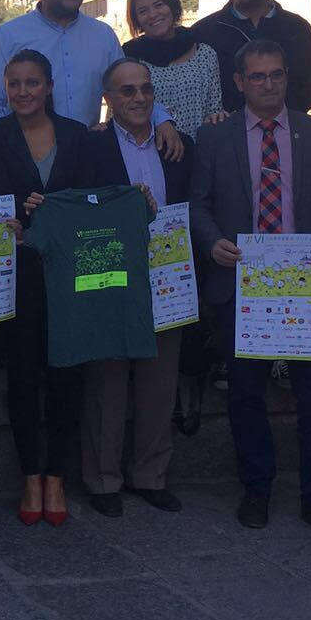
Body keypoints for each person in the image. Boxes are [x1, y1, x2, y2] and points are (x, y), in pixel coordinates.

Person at [189, 39, 311, 540]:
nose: (268, 84)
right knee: (246, 396)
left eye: (277, 74)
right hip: (242, 287)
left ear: (287, 77)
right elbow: (198, 204)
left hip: (305, 288)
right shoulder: (213, 137)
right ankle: (256, 489)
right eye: (257, 76)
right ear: (239, 82)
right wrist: (212, 242)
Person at [0, 50, 92, 526]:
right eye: (14, 84)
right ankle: (30, 476)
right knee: (22, 374)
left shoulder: (78, 135)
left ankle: (57, 477)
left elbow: (90, 200)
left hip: (68, 272)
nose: (22, 92)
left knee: (67, 373)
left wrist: (59, 211)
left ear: (48, 87)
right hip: (20, 272)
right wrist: (17, 218)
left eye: (32, 83)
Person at [78, 59, 194, 516]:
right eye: (127, 91)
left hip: (168, 280)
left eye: (146, 88)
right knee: (106, 384)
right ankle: (103, 480)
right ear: (108, 99)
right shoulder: (89, 147)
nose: (139, 97)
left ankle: (150, 475)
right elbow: (79, 206)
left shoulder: (178, 145)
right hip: (111, 278)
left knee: (160, 384)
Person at [0, 0, 184, 161]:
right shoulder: (7, 36)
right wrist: (0, 160)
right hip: (25, 159)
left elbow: (128, 90)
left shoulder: (103, 36)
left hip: (88, 158)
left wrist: (161, 119)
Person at [189, 0, 311, 115]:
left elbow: (306, 90)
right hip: (225, 130)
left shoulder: (297, 30)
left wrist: (272, 123)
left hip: (284, 129)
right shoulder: (203, 33)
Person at [122, 0, 225, 132]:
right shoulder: (130, 59)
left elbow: (214, 111)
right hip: (149, 145)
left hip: (198, 145)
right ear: (136, 19)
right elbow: (122, 114)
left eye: (158, 5)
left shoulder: (204, 54)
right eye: (143, 11)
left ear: (171, 5)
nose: (153, 14)